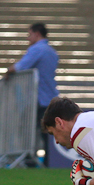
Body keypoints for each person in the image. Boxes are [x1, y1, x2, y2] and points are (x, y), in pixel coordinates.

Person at [6, 23, 59, 166]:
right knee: (46, 132)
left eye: (29, 34)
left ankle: (29, 159)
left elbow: (21, 67)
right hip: (49, 96)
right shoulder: (52, 51)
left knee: (28, 129)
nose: (28, 38)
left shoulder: (37, 49)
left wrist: (8, 71)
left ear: (37, 34)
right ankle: (49, 161)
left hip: (37, 97)